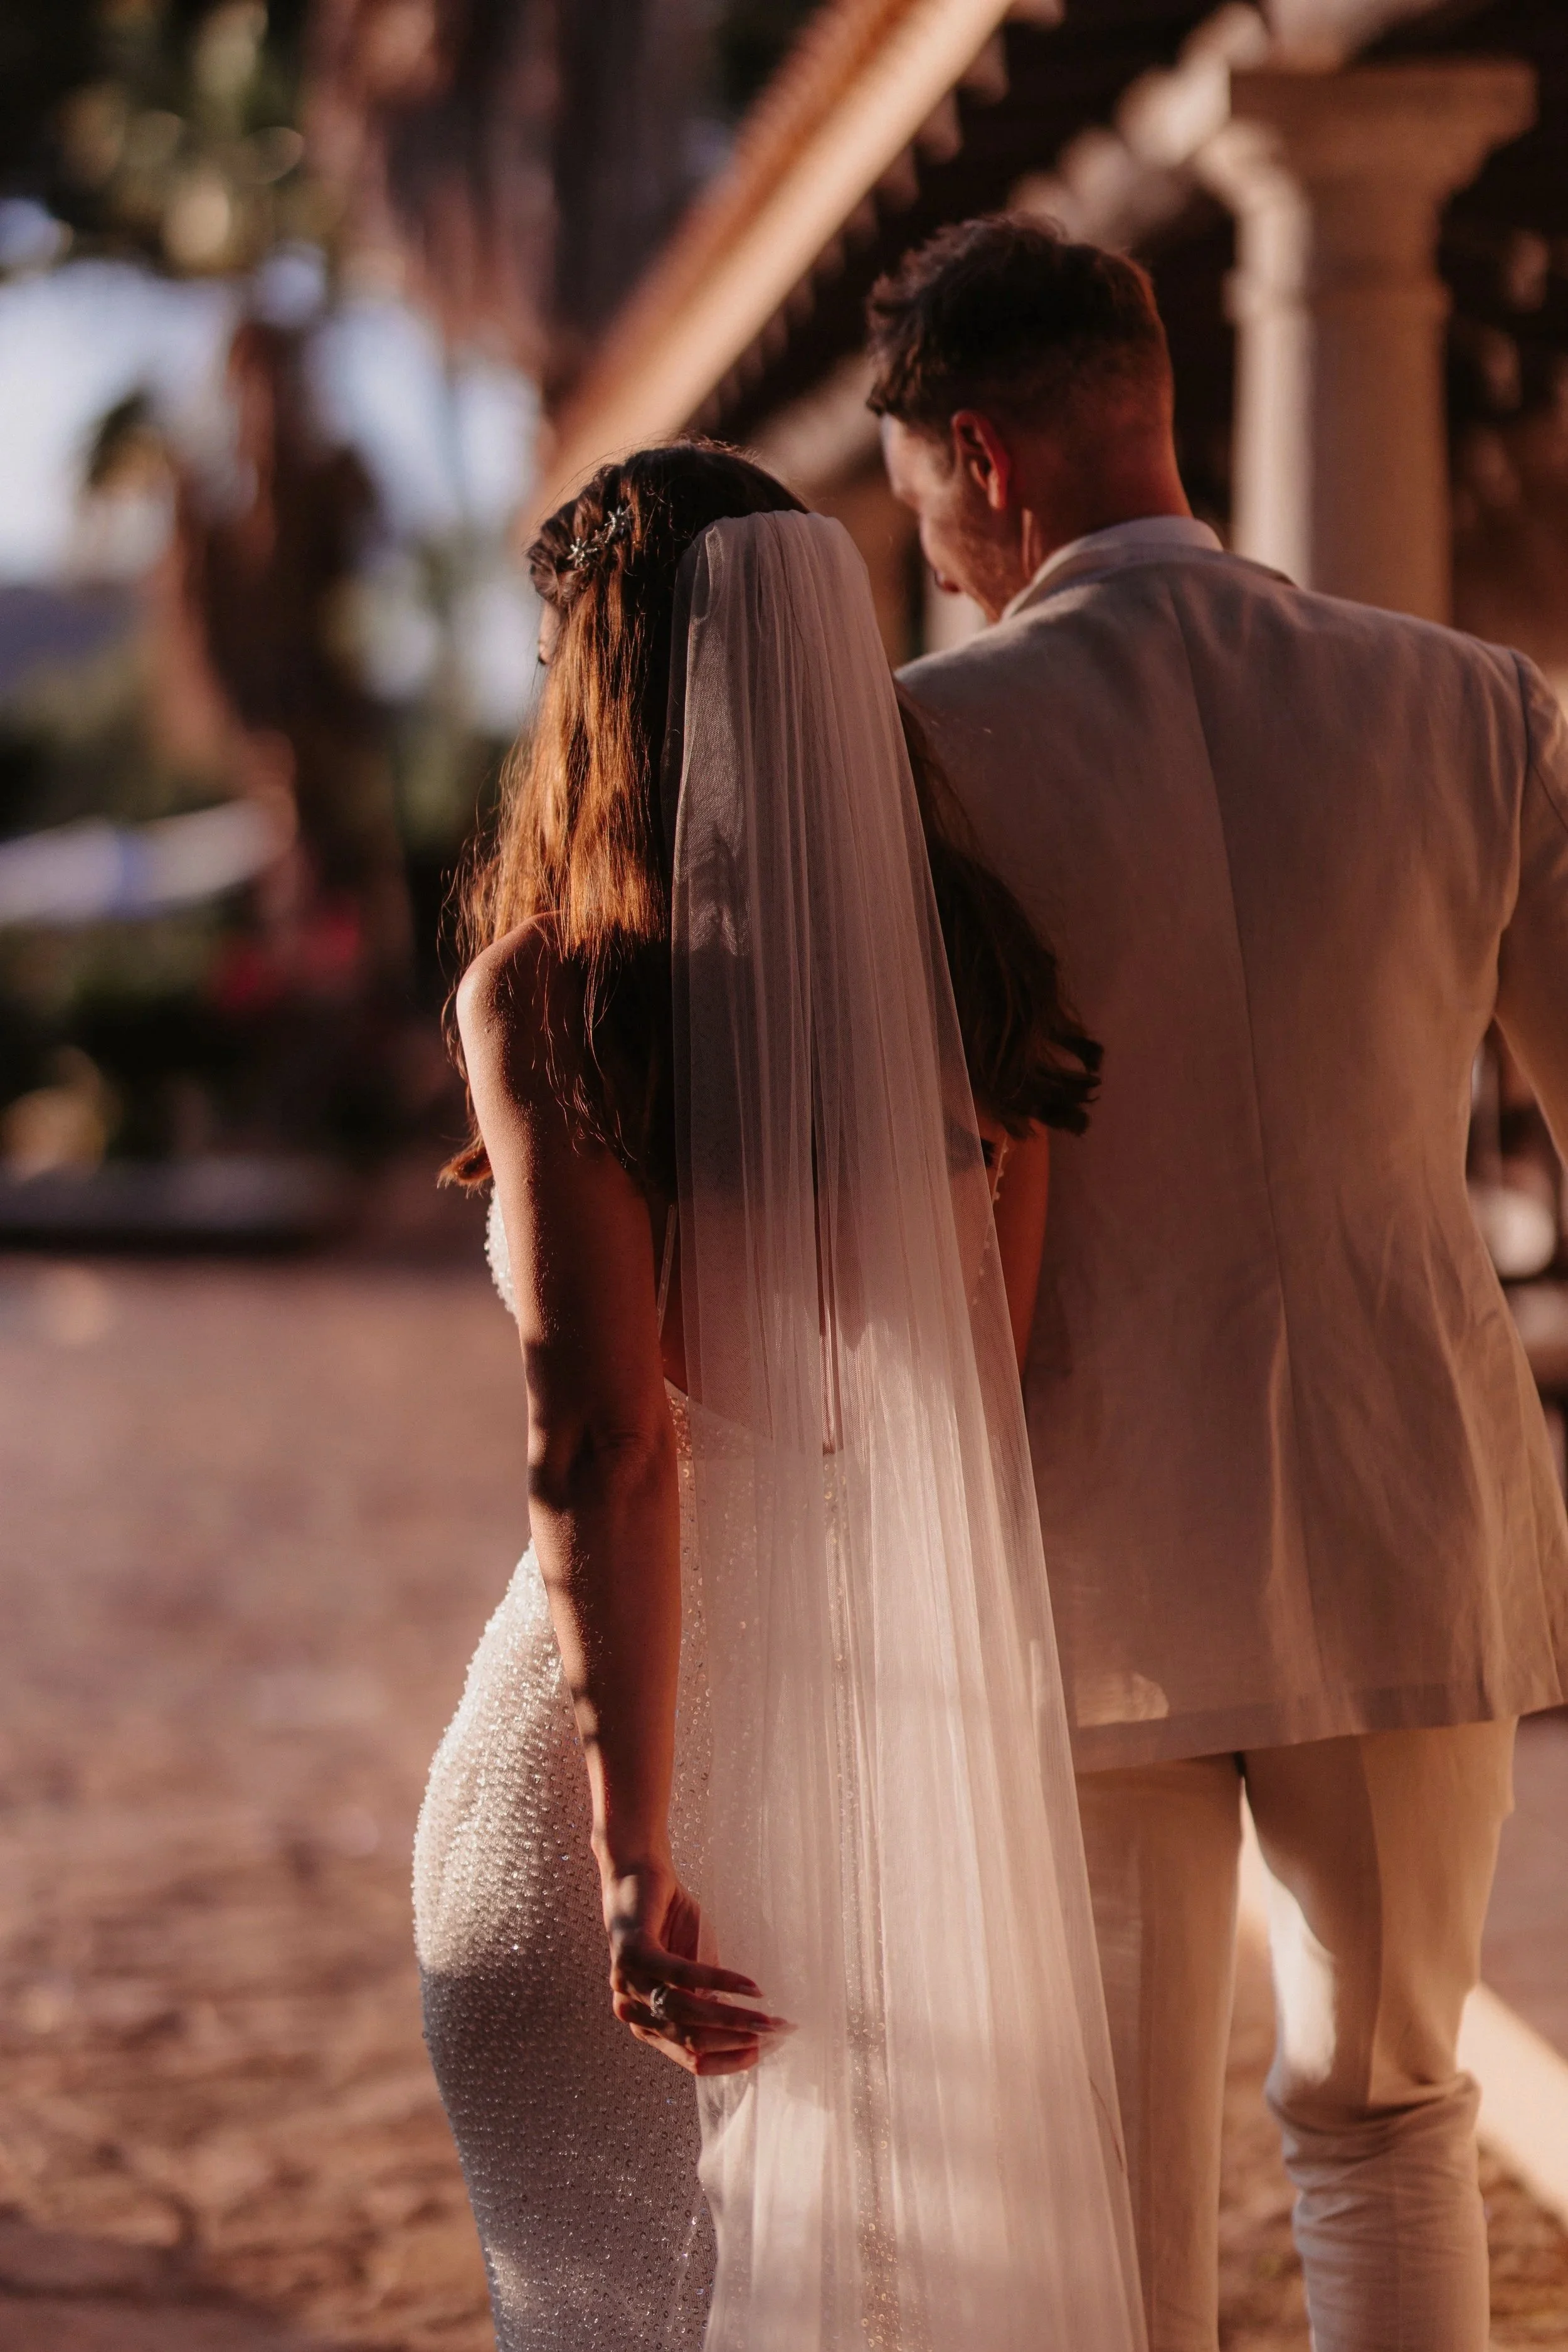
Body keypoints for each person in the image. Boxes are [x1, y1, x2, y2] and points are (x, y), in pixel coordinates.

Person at [876, 213, 1568, 2352]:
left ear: (980, 457)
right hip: (1405, 1505)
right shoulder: (1473, 708)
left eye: (921, 507)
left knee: (1103, 2180)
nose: (940, 554)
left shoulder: (915, 746)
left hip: (1074, 1544)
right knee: (1386, 2118)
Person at [413, 443, 1146, 2352]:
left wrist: (633, 1843)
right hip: (882, 1772)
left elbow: (605, 1448)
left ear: (598, 686)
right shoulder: (985, 1001)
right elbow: (959, 1431)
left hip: (621, 1768)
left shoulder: (559, 995)